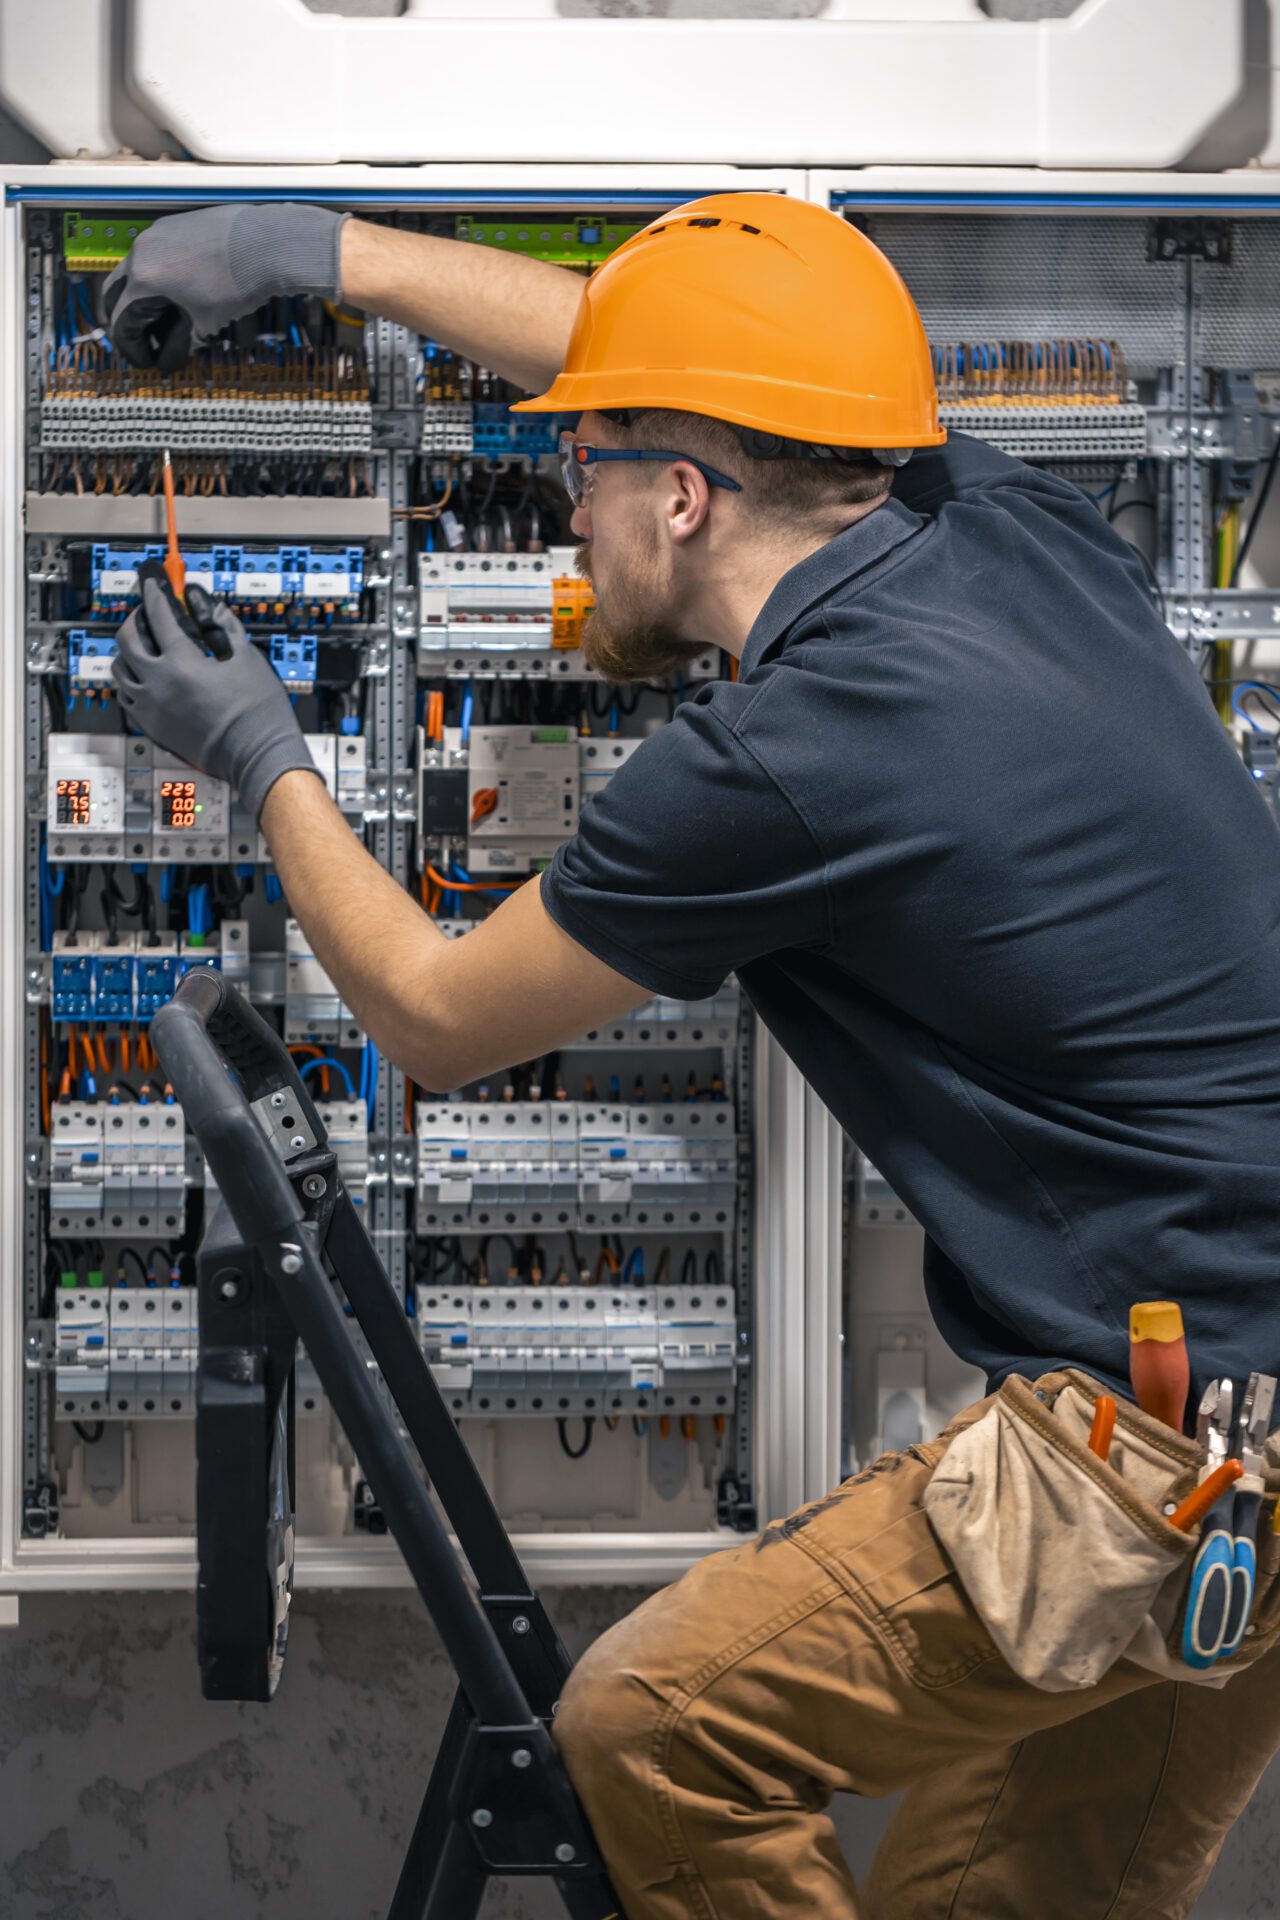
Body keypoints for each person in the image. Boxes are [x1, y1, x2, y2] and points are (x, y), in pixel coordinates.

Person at [104, 194, 1280, 1918]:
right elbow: (694, 368)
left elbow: (433, 1016)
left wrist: (265, 755)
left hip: (1163, 1461)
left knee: (655, 1730)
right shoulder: (993, 520)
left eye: (583, 465)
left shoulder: (789, 754)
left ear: (682, 499)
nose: (562, 501)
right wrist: (317, 256)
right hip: (1238, 1431)